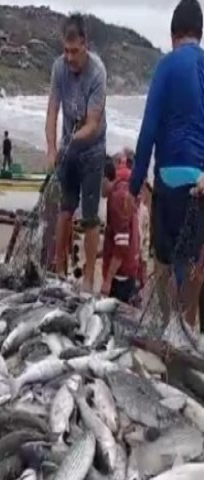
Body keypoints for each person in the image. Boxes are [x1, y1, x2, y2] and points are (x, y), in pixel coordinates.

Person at [130, 0, 204, 331]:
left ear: (173, 34)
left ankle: (167, 333)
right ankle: (188, 338)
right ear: (200, 35)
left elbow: (148, 132)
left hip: (169, 184)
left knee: (164, 266)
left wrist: (134, 186)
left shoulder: (166, 66)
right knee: (192, 267)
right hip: (201, 184)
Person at [46, 14, 108, 291]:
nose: (69, 57)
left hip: (92, 149)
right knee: (65, 209)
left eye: (74, 51)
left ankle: (88, 280)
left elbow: (93, 125)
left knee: (90, 216)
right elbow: (52, 111)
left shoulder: (97, 73)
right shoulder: (59, 68)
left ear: (86, 45)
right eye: (65, 50)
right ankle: (59, 269)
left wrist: (71, 140)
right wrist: (51, 148)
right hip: (68, 145)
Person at [101, 154, 140, 303]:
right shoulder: (124, 189)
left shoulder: (116, 199)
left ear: (104, 179)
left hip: (120, 276)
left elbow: (122, 245)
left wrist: (108, 280)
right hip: (129, 267)